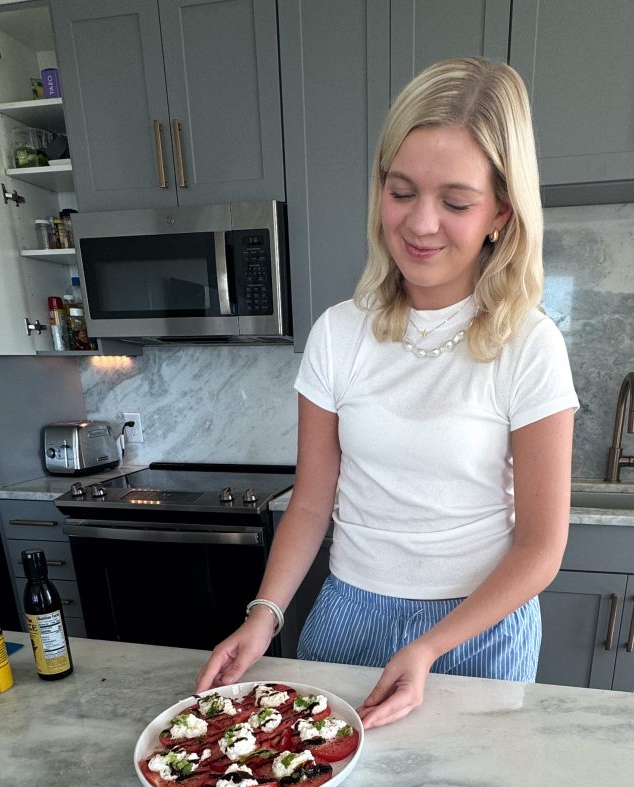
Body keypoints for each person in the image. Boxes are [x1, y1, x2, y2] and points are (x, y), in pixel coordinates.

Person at [196, 56, 578, 728]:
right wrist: (263, 618)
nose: (421, 224)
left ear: (500, 214)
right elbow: (312, 503)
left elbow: (540, 548)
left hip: (475, 630)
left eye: (455, 202)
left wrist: (429, 646)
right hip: (347, 614)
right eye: (401, 192)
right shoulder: (339, 335)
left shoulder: (530, 344)